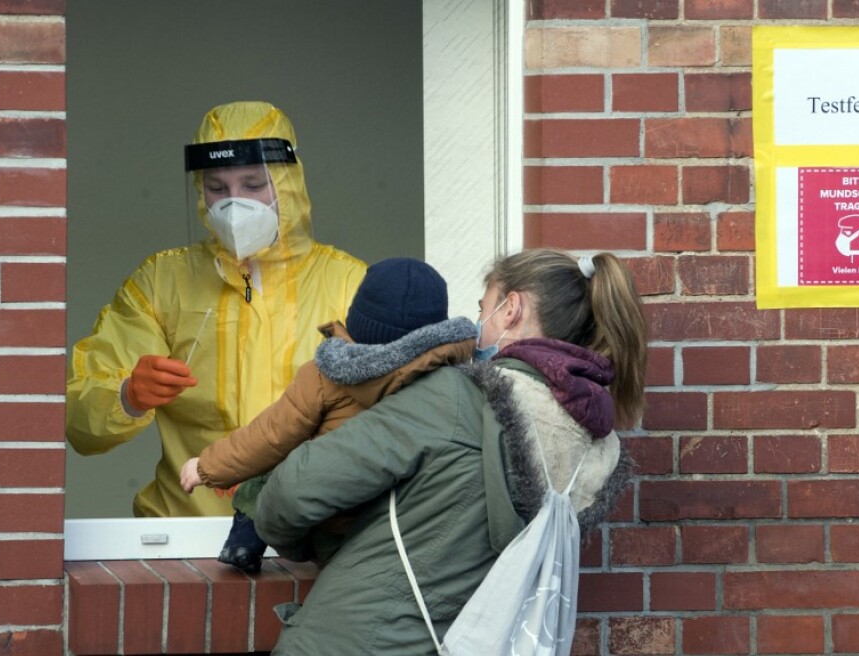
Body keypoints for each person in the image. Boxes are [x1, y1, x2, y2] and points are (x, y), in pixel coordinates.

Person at [254, 248, 647, 655]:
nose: (476, 325)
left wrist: (310, 547)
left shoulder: (458, 398)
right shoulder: (598, 450)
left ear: (511, 309)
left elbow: (295, 490)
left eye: (483, 309)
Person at [66, 101, 367, 518]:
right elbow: (78, 420)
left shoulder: (350, 285)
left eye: (253, 184)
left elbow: (391, 416)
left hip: (308, 530)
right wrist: (126, 397)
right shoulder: (162, 282)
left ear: (289, 184)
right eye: (217, 188)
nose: (234, 204)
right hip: (188, 531)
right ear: (199, 189)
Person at [179, 257, 477, 572]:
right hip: (410, 537)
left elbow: (270, 434)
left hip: (335, 533)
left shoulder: (327, 376)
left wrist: (207, 466)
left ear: (358, 318)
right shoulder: (450, 382)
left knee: (279, 459)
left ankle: (244, 539)